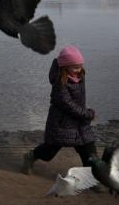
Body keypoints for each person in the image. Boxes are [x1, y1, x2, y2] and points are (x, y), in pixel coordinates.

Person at [22, 45, 97, 174]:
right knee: (48, 153)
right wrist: (88, 114)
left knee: (89, 153)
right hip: (61, 124)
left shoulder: (80, 76)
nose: (79, 70)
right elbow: (68, 104)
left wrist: (84, 112)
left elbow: (78, 99)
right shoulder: (59, 83)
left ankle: (91, 178)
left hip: (80, 123)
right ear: (64, 67)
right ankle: (31, 156)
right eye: (75, 67)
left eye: (80, 66)